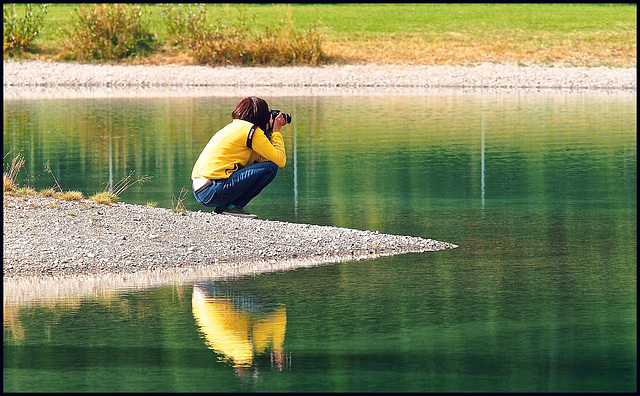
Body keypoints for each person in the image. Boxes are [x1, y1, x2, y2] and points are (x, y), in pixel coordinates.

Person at [192, 97, 288, 218]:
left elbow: (261, 160)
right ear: (261, 115)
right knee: (271, 168)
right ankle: (232, 207)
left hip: (201, 190)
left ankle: (224, 207)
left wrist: (269, 133)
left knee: (265, 165)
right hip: (213, 190)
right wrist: (276, 132)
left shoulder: (235, 127)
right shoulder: (252, 131)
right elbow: (279, 160)